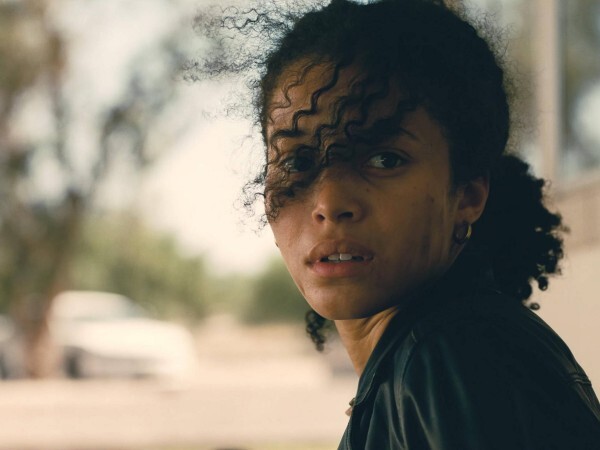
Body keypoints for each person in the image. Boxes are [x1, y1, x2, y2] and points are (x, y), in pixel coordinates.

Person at [202, 0, 600, 447]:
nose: (330, 203)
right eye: (297, 161)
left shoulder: (450, 355)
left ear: (467, 194)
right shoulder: (430, 358)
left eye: (384, 159)